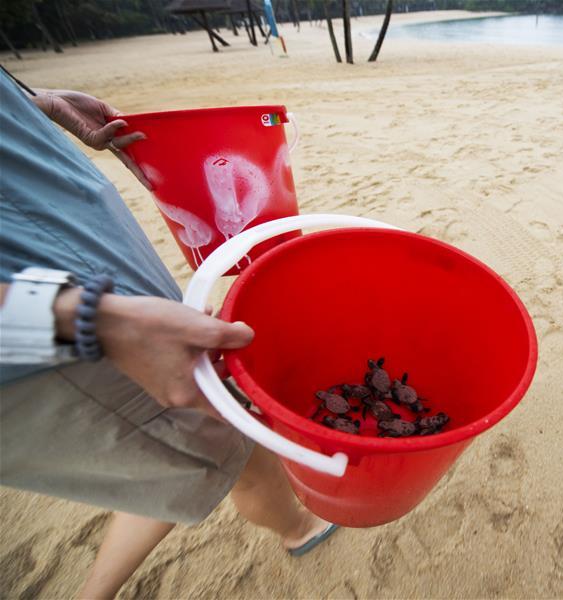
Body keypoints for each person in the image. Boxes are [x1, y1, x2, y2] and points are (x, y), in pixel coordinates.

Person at [0, 72, 336, 600]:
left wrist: (24, 107)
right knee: (229, 438)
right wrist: (94, 319)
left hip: (84, 276)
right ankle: (298, 529)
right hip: (44, 334)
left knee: (173, 448)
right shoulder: (86, 320)